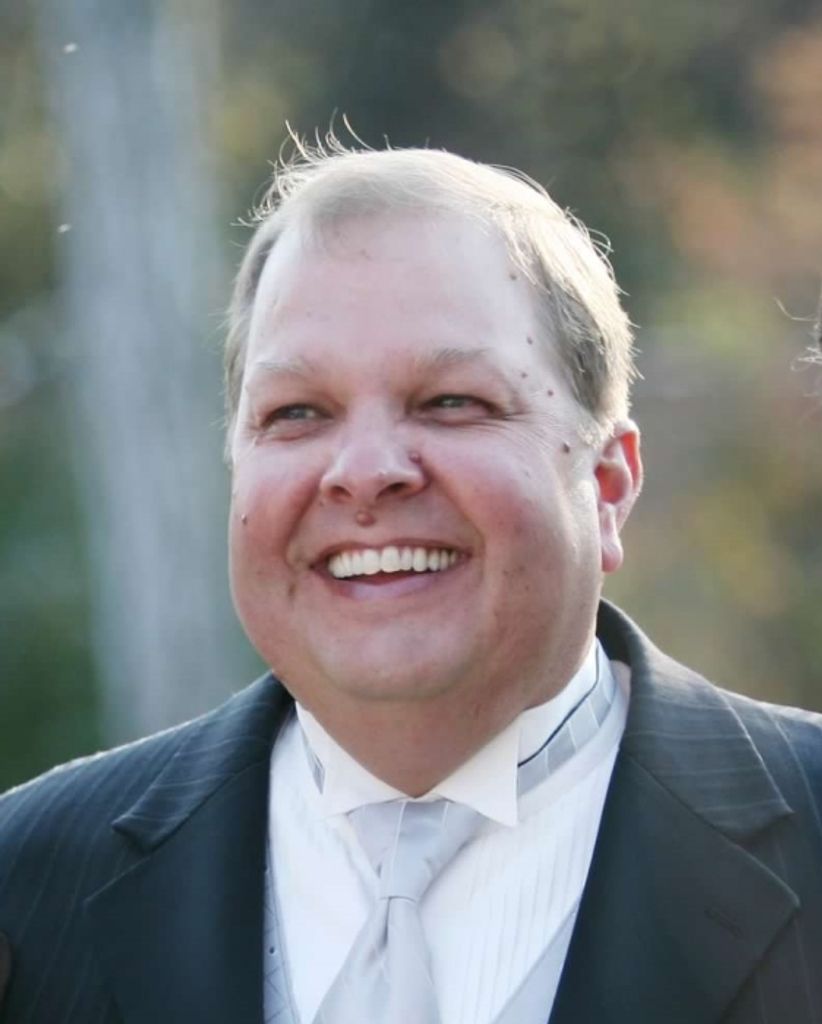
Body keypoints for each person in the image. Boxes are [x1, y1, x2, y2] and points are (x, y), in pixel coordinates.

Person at [1, 140, 821, 1024]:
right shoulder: (27, 885)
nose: (364, 472)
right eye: (297, 413)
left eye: (451, 402)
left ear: (609, 483)